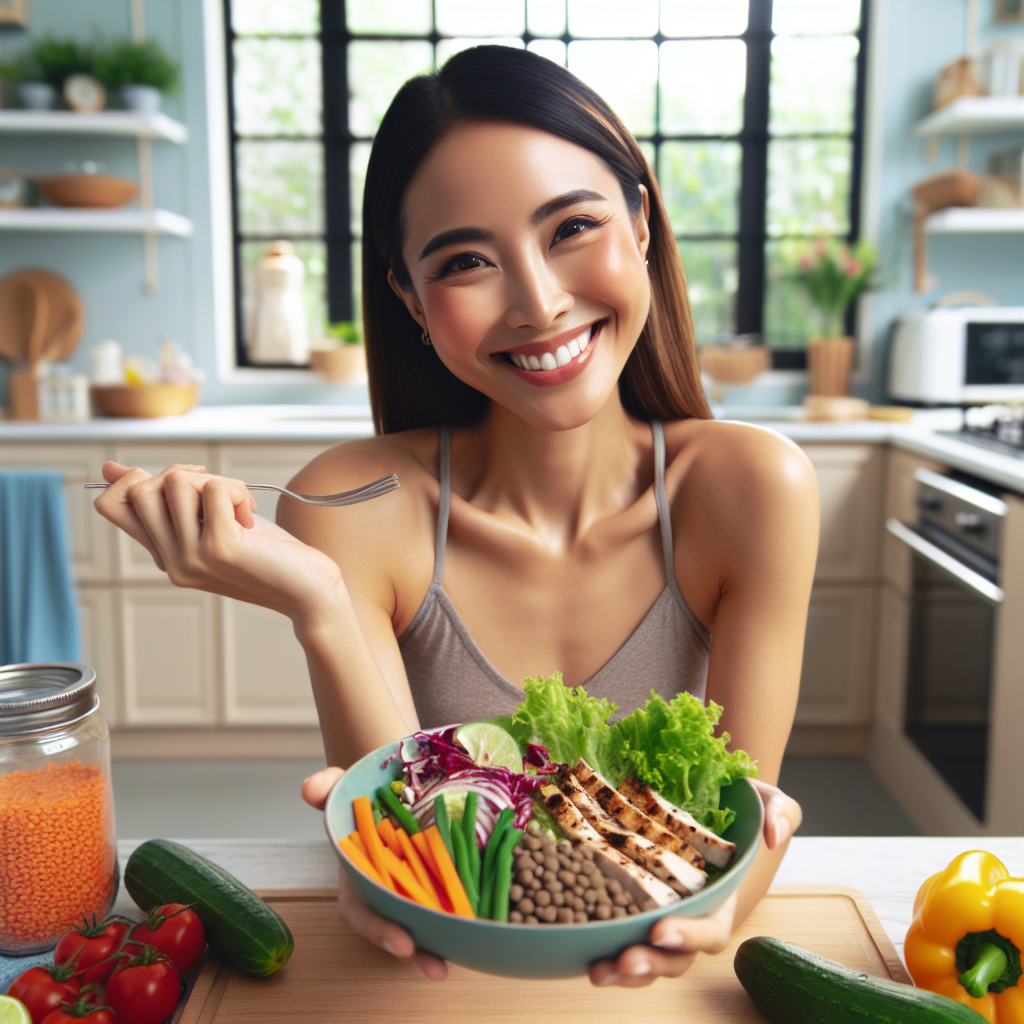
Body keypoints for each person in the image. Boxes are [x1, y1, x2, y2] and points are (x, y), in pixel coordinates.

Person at [95, 46, 816, 987]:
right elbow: (409, 857)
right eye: (467, 260)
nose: (540, 302)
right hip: (426, 988)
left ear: (642, 223)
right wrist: (319, 602)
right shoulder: (355, 507)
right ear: (409, 300)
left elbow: (732, 828)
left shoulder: (753, 488)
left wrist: (708, 909)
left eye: (573, 227)